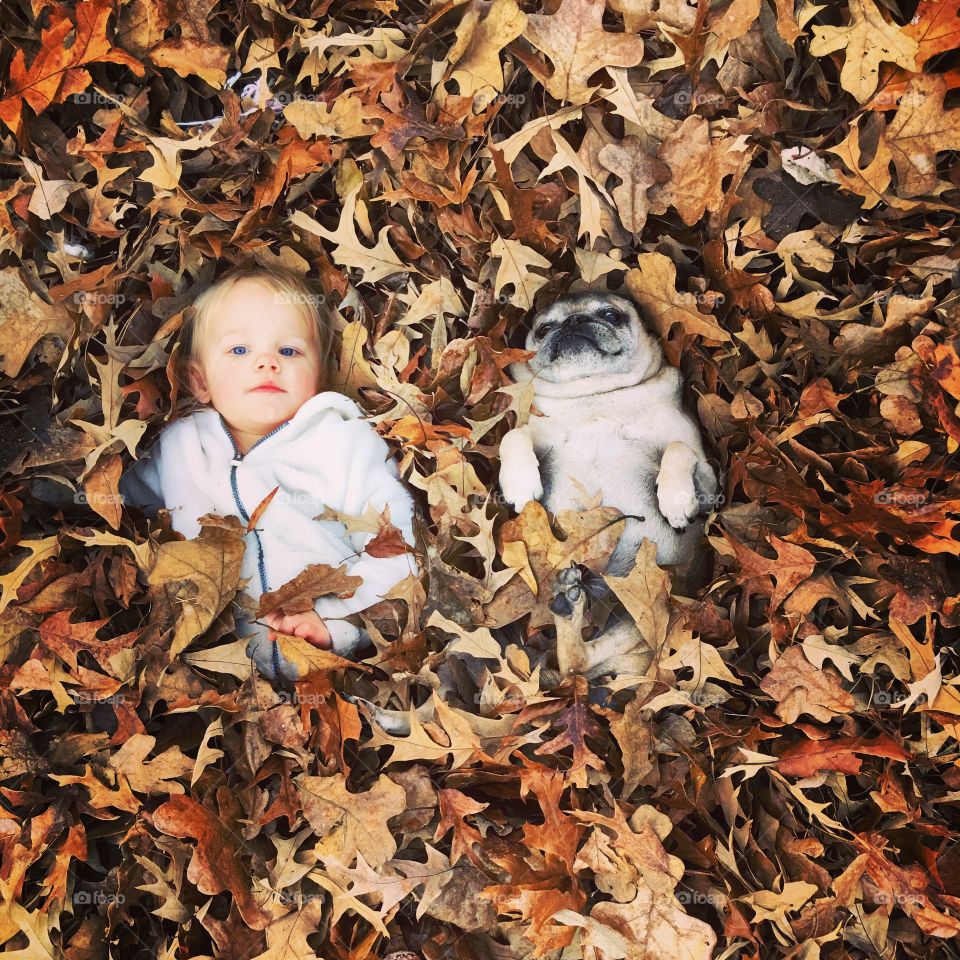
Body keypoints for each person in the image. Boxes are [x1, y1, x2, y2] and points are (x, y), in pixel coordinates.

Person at [119, 264, 418, 682]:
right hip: (206, 674)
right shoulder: (179, 448)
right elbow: (118, 508)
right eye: (239, 351)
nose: (266, 362)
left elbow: (396, 546)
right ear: (199, 381)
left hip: (328, 660)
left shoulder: (344, 443)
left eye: (289, 351)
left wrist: (332, 620)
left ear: (318, 375)